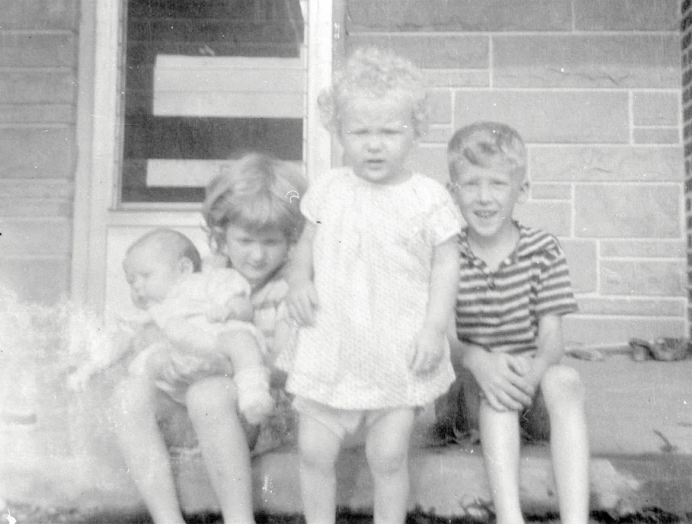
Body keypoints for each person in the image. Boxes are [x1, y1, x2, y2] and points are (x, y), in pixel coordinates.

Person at [283, 47, 462, 524]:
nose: (374, 144)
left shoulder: (428, 198)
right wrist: (299, 280)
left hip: (396, 349)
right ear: (338, 132)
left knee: (388, 457)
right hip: (332, 345)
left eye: (390, 131)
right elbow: (304, 248)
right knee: (314, 452)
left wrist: (433, 329)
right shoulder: (328, 189)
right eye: (360, 132)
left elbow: (447, 267)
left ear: (416, 131)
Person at [108, 153, 305, 524]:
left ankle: (238, 519)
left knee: (208, 392)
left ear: (291, 240)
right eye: (245, 240)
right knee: (128, 394)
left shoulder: (288, 290)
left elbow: (286, 369)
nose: (258, 255)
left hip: (260, 412)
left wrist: (228, 362)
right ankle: (166, 518)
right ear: (221, 234)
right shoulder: (204, 277)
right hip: (194, 401)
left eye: (271, 242)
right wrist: (164, 356)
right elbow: (164, 325)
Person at [441, 121, 590, 524]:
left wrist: (536, 370)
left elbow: (552, 339)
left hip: (526, 383)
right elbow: (443, 338)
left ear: (521, 191)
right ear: (453, 192)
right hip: (471, 390)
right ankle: (511, 518)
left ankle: (576, 519)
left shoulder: (542, 249)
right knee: (497, 399)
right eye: (470, 185)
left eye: (497, 184)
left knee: (565, 379)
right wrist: (478, 360)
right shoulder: (446, 253)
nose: (484, 198)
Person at [68, 227, 275, 425]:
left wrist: (230, 310)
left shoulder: (209, 282)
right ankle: (150, 460)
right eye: (131, 281)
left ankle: (253, 396)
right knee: (138, 376)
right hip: (176, 365)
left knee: (242, 339)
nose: (137, 286)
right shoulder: (149, 311)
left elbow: (243, 307)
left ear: (184, 269)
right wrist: (90, 366)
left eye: (145, 276)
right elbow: (120, 340)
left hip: (216, 349)